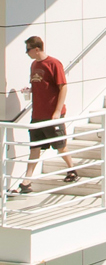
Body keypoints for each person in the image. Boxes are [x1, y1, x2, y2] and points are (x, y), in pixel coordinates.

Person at [19, 36, 77, 192]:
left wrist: (57, 111)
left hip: (52, 115)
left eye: (28, 49)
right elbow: (40, 85)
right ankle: (26, 182)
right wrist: (29, 91)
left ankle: (72, 169)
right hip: (37, 115)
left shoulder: (53, 64)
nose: (27, 53)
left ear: (36, 49)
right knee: (34, 149)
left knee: (60, 147)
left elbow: (63, 87)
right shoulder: (33, 65)